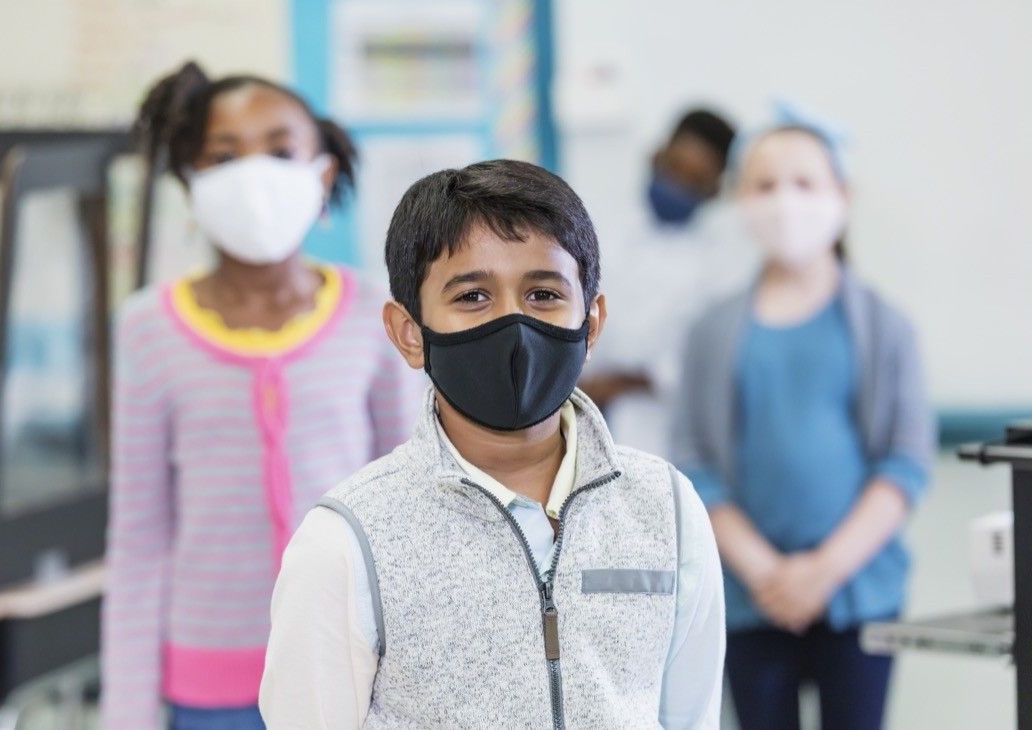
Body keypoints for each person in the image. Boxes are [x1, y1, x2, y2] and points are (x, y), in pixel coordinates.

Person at [261, 159, 725, 728]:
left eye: (544, 294)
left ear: (593, 321)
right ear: (409, 333)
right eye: (473, 297)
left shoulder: (666, 508)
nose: (514, 324)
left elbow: (692, 715)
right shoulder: (347, 539)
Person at [100, 61, 424, 730]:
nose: (256, 173)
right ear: (191, 178)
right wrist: (127, 712)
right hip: (208, 685)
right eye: (225, 155)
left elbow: (412, 505)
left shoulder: (374, 315)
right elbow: (138, 538)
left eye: (280, 150)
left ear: (323, 172)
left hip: (356, 670)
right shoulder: (147, 330)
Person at [671, 109, 936, 730]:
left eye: (806, 183)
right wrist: (767, 573)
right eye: (765, 185)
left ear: (843, 197)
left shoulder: (885, 327)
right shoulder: (711, 331)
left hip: (860, 592)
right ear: (739, 197)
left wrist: (823, 570)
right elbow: (694, 461)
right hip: (747, 596)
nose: (785, 201)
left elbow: (905, 464)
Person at [581, 108, 755, 456]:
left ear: (715, 190)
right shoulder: (598, 226)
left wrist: (618, 384)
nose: (678, 185)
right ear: (656, 157)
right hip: (575, 403)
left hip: (656, 429)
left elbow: (702, 361)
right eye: (674, 168)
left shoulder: (723, 267)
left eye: (695, 179)